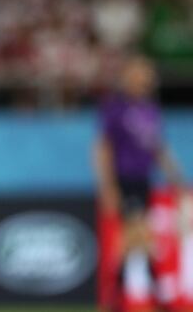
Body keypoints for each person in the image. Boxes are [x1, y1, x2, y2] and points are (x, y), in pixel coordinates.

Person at [93, 55, 185, 310]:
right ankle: (154, 296)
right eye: (138, 73)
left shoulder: (150, 109)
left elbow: (158, 147)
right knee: (136, 236)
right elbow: (103, 148)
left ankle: (117, 298)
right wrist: (107, 185)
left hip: (143, 179)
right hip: (125, 178)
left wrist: (175, 177)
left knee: (137, 239)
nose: (143, 79)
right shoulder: (116, 107)